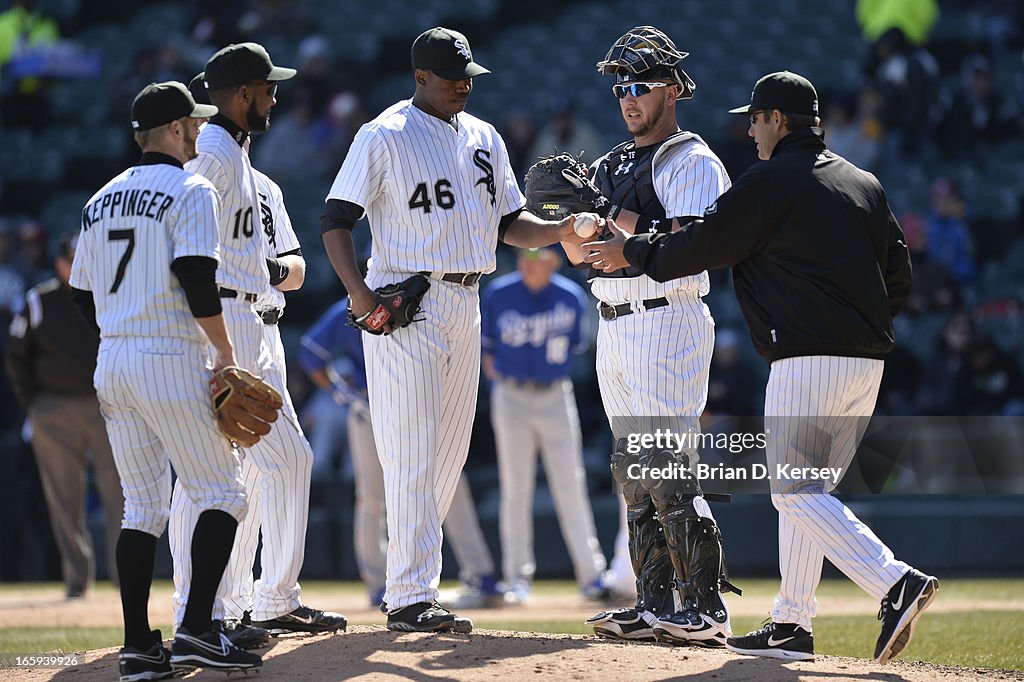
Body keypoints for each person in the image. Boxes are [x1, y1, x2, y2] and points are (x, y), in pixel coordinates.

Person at [584, 70, 938, 664]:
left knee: (792, 492)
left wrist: (633, 250)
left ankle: (894, 581)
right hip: (867, 361)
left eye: (755, 118)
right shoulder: (863, 183)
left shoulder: (769, 181)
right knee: (810, 493)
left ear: (777, 120)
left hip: (806, 358)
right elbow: (898, 273)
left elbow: (704, 244)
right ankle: (790, 623)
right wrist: (864, 328)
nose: (749, 129)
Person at [320, 26, 591, 633]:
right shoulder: (383, 134)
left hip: (468, 301)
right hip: (406, 301)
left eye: (469, 76)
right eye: (451, 78)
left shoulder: (484, 137)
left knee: (448, 456)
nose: (464, 86)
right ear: (420, 77)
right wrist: (359, 295)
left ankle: (409, 582)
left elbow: (511, 224)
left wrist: (561, 229)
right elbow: (336, 220)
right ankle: (411, 594)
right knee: (412, 450)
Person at [70, 80, 261, 679]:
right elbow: (197, 276)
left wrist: (117, 328)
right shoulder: (191, 187)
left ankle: (137, 648)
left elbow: (80, 293)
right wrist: (225, 352)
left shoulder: (99, 199)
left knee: (141, 507)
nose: (201, 131)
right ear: (175, 129)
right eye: (194, 124)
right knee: (223, 493)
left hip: (114, 359)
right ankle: (199, 630)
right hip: (167, 352)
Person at [558, 25, 737, 647]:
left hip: (668, 317)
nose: (628, 98)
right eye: (620, 89)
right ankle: (655, 601)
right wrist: (578, 228)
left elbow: (694, 241)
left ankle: (706, 606)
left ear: (672, 89)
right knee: (633, 468)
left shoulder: (693, 159)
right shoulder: (610, 162)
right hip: (613, 318)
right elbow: (586, 248)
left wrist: (610, 221)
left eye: (639, 85)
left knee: (668, 462)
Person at [171, 46, 345, 637]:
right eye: (266, 89)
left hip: (256, 321)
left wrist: (265, 274)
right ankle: (205, 610)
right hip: (226, 320)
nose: (274, 97)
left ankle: (260, 601)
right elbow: (181, 241)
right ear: (241, 93)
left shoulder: (241, 161)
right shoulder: (212, 156)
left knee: (272, 464)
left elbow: (291, 265)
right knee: (216, 472)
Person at [298, 297, 504, 609]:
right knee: (372, 496)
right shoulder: (351, 305)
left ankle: (480, 573)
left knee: (451, 480)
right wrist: (344, 395)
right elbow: (311, 353)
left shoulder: (425, 295)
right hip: (370, 406)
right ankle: (379, 583)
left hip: (422, 400)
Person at [481, 246, 609, 603]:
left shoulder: (570, 296)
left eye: (537, 258)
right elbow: (488, 353)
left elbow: (576, 348)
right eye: (525, 257)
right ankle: (517, 579)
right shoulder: (500, 293)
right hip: (511, 394)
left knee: (571, 483)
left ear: (553, 262)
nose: (528, 263)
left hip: (555, 393)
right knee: (515, 487)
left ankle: (592, 576)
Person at [4, 232, 124, 600]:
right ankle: (77, 581)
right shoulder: (38, 301)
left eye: (83, 258)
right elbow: (15, 354)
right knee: (63, 498)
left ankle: (127, 580)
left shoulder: (111, 294)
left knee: (123, 496)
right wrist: (34, 404)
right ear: (59, 264)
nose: (78, 265)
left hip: (107, 406)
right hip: (53, 409)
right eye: (72, 259)